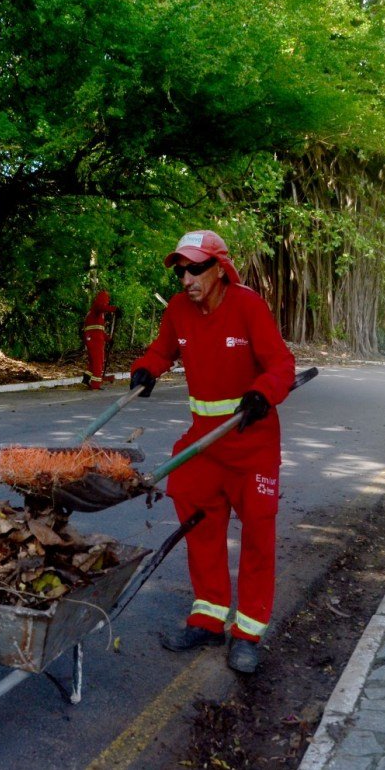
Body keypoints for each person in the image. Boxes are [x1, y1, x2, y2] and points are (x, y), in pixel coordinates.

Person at [129, 230, 296, 674]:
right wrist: (145, 370)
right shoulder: (180, 311)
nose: (186, 278)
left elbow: (281, 365)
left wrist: (263, 393)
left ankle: (248, 633)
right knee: (195, 517)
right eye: (181, 270)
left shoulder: (248, 306)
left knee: (258, 539)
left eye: (195, 268)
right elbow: (161, 350)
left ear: (220, 268)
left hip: (251, 444)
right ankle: (208, 617)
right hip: (205, 443)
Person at [82, 290, 118, 390]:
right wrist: (114, 309)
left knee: (93, 362)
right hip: (94, 340)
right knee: (98, 361)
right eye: (107, 300)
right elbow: (101, 307)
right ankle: (95, 385)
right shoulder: (97, 307)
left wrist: (108, 339)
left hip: (93, 338)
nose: (107, 302)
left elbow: (99, 330)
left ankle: (87, 377)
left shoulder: (97, 314)